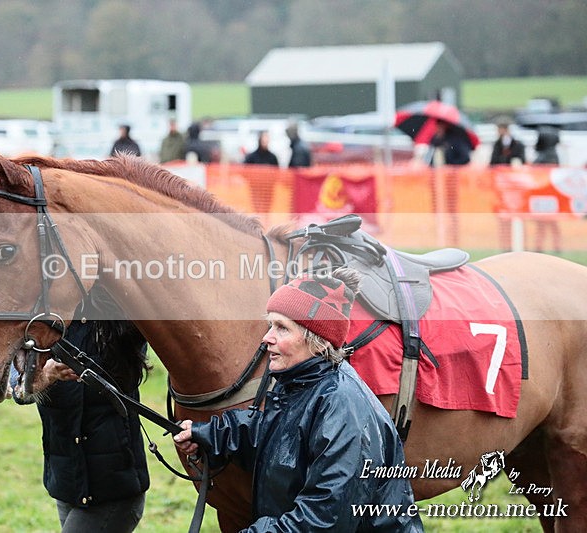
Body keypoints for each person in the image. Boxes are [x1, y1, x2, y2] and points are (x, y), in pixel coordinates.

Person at [173, 269, 423, 532]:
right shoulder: (300, 384)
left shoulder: (342, 407)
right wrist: (209, 434)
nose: (266, 337)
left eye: (282, 328)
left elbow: (323, 520)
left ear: (317, 341)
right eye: (271, 325)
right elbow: (276, 437)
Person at [35, 318, 150, 532]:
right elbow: (14, 388)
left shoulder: (120, 319)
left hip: (113, 492)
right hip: (67, 485)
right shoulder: (40, 320)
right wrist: (45, 375)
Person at [428, 120, 472, 247]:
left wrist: (450, 167)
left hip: (450, 182)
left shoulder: (455, 140)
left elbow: (465, 159)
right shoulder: (435, 140)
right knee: (437, 209)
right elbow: (430, 159)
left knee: (452, 211)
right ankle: (439, 233)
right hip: (436, 182)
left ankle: (453, 236)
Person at [489, 118, 526, 251]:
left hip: (515, 187)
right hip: (501, 186)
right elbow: (492, 163)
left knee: (517, 216)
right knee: (503, 216)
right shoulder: (497, 145)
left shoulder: (518, 145)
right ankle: (505, 244)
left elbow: (522, 162)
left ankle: (519, 244)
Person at [532, 127, 562, 253]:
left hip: (545, 195)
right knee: (549, 223)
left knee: (545, 224)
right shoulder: (554, 155)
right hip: (550, 196)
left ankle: (545, 246)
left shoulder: (546, 156)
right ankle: (553, 246)